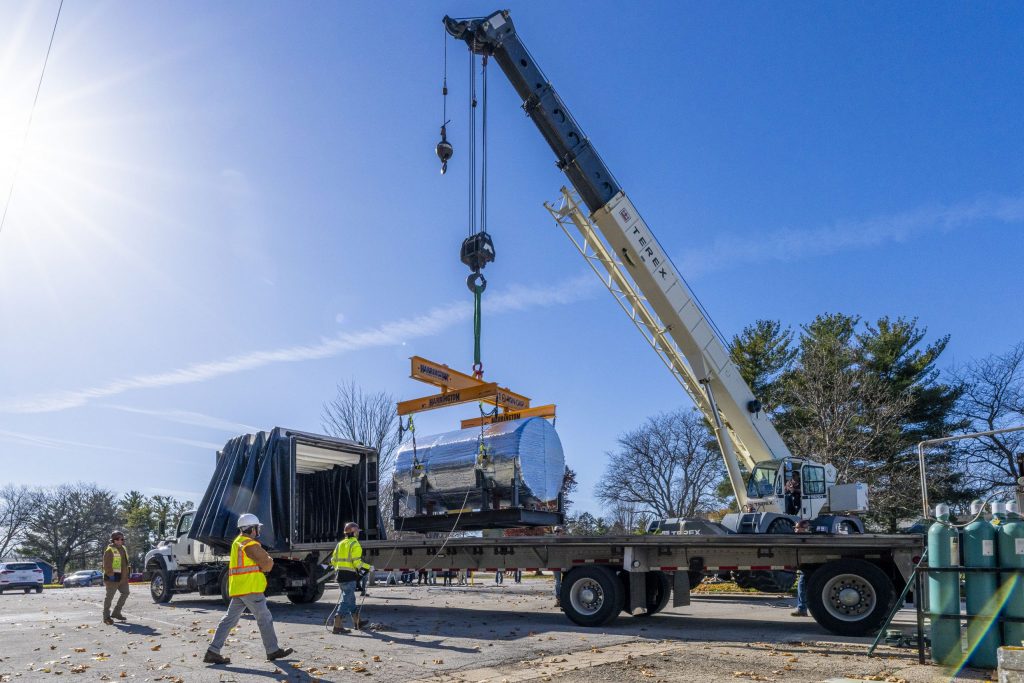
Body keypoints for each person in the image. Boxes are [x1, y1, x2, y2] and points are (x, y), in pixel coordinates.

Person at [204, 514, 293, 665]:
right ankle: (272, 650)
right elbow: (267, 564)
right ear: (252, 529)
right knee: (265, 618)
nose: (258, 531)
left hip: (239, 589)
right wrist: (267, 561)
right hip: (250, 588)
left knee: (229, 620)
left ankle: (213, 651)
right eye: (257, 528)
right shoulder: (250, 544)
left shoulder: (237, 542)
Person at [330, 521, 373, 634]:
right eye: (357, 532)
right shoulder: (355, 544)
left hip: (340, 576)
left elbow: (332, 561)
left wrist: (338, 569)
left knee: (350, 599)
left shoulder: (340, 544)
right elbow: (357, 563)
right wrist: (369, 567)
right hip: (349, 576)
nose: (358, 533)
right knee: (346, 599)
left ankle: (357, 622)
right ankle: (337, 625)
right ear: (354, 532)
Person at [102, 531, 130, 625]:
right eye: (118, 539)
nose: (120, 540)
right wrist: (111, 575)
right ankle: (106, 617)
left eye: (122, 539)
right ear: (113, 540)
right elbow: (106, 565)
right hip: (112, 578)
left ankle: (116, 612)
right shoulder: (110, 550)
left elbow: (125, 563)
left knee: (125, 593)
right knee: (109, 597)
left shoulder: (123, 549)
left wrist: (126, 575)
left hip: (123, 578)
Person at [791, 519, 811, 617]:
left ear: (805, 529)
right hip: (807, 567)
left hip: (807, 568)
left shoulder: (804, 539)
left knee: (802, 586)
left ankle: (802, 608)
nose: (796, 530)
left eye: (798, 528)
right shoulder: (810, 537)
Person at [552, 525, 567, 607]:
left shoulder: (566, 540)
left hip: (565, 563)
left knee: (566, 581)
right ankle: (558, 599)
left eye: (558, 531)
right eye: (555, 531)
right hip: (556, 564)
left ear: (562, 531)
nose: (556, 533)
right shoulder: (552, 541)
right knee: (557, 582)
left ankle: (565, 599)